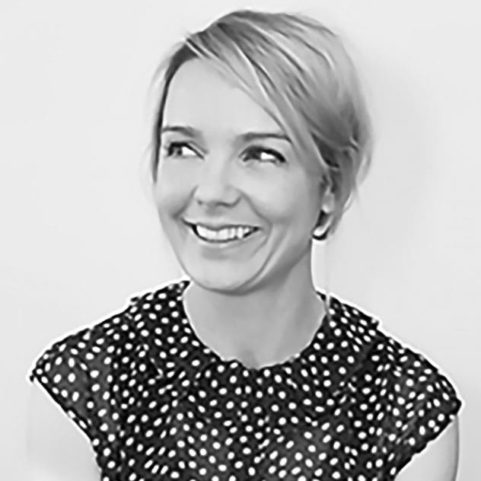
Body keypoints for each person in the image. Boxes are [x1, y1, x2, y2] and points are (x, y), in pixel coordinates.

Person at [27, 8, 463, 481]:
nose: (212, 191)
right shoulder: (88, 387)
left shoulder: (404, 410)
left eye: (261, 154)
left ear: (331, 186)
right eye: (183, 148)